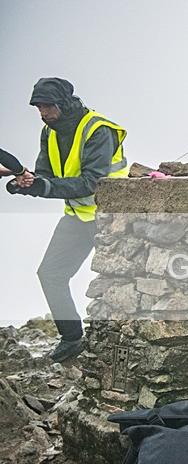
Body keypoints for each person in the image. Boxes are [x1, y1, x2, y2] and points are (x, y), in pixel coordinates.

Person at [6, 78, 127, 363]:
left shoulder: (99, 130)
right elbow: (44, 175)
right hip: (76, 217)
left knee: (116, 283)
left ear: (63, 103)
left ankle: (118, 344)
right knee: (50, 274)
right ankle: (72, 338)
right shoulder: (49, 132)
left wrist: (43, 187)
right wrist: (25, 184)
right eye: (38, 107)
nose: (42, 113)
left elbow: (91, 182)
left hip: (111, 218)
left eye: (47, 106)